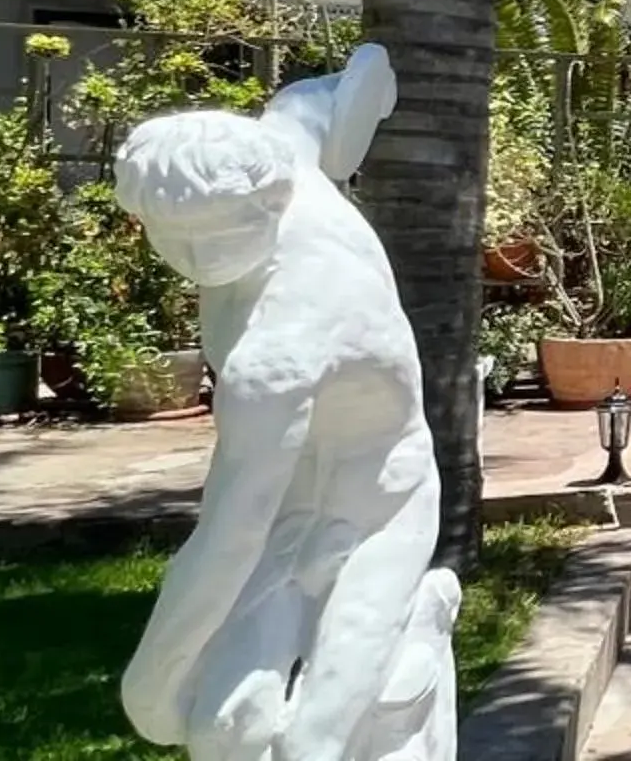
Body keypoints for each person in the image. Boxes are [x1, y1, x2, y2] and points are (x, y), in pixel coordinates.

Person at [114, 45, 460, 761]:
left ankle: (423, 622)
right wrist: (369, 82)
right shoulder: (273, 155)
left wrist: (148, 689)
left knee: (315, 745)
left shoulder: (280, 345)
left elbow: (230, 533)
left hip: (380, 502)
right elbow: (320, 105)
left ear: (268, 202)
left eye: (222, 235)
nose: (200, 260)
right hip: (290, 502)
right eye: (174, 237)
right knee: (224, 733)